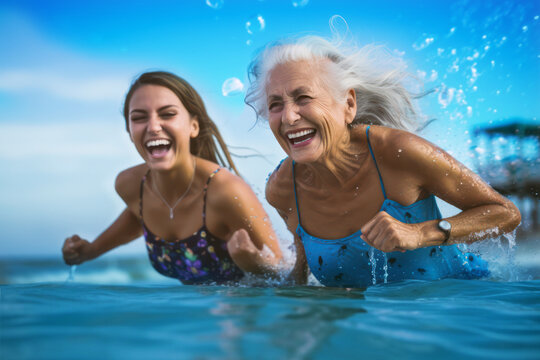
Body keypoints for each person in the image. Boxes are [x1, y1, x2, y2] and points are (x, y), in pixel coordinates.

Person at [244, 36, 521, 287]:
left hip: (460, 312)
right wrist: (259, 274)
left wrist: (421, 233)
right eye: (275, 104)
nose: (289, 117)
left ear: (348, 105)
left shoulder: (397, 152)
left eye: (303, 97)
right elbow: (300, 276)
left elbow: (505, 213)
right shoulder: (281, 190)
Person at [62, 71, 282, 285]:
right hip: (187, 316)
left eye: (167, 114)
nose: (153, 126)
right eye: (138, 118)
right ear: (129, 132)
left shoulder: (225, 190)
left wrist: (255, 263)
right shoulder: (131, 186)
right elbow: (138, 216)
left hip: (246, 313)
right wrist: (90, 251)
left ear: (193, 126)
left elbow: (286, 272)